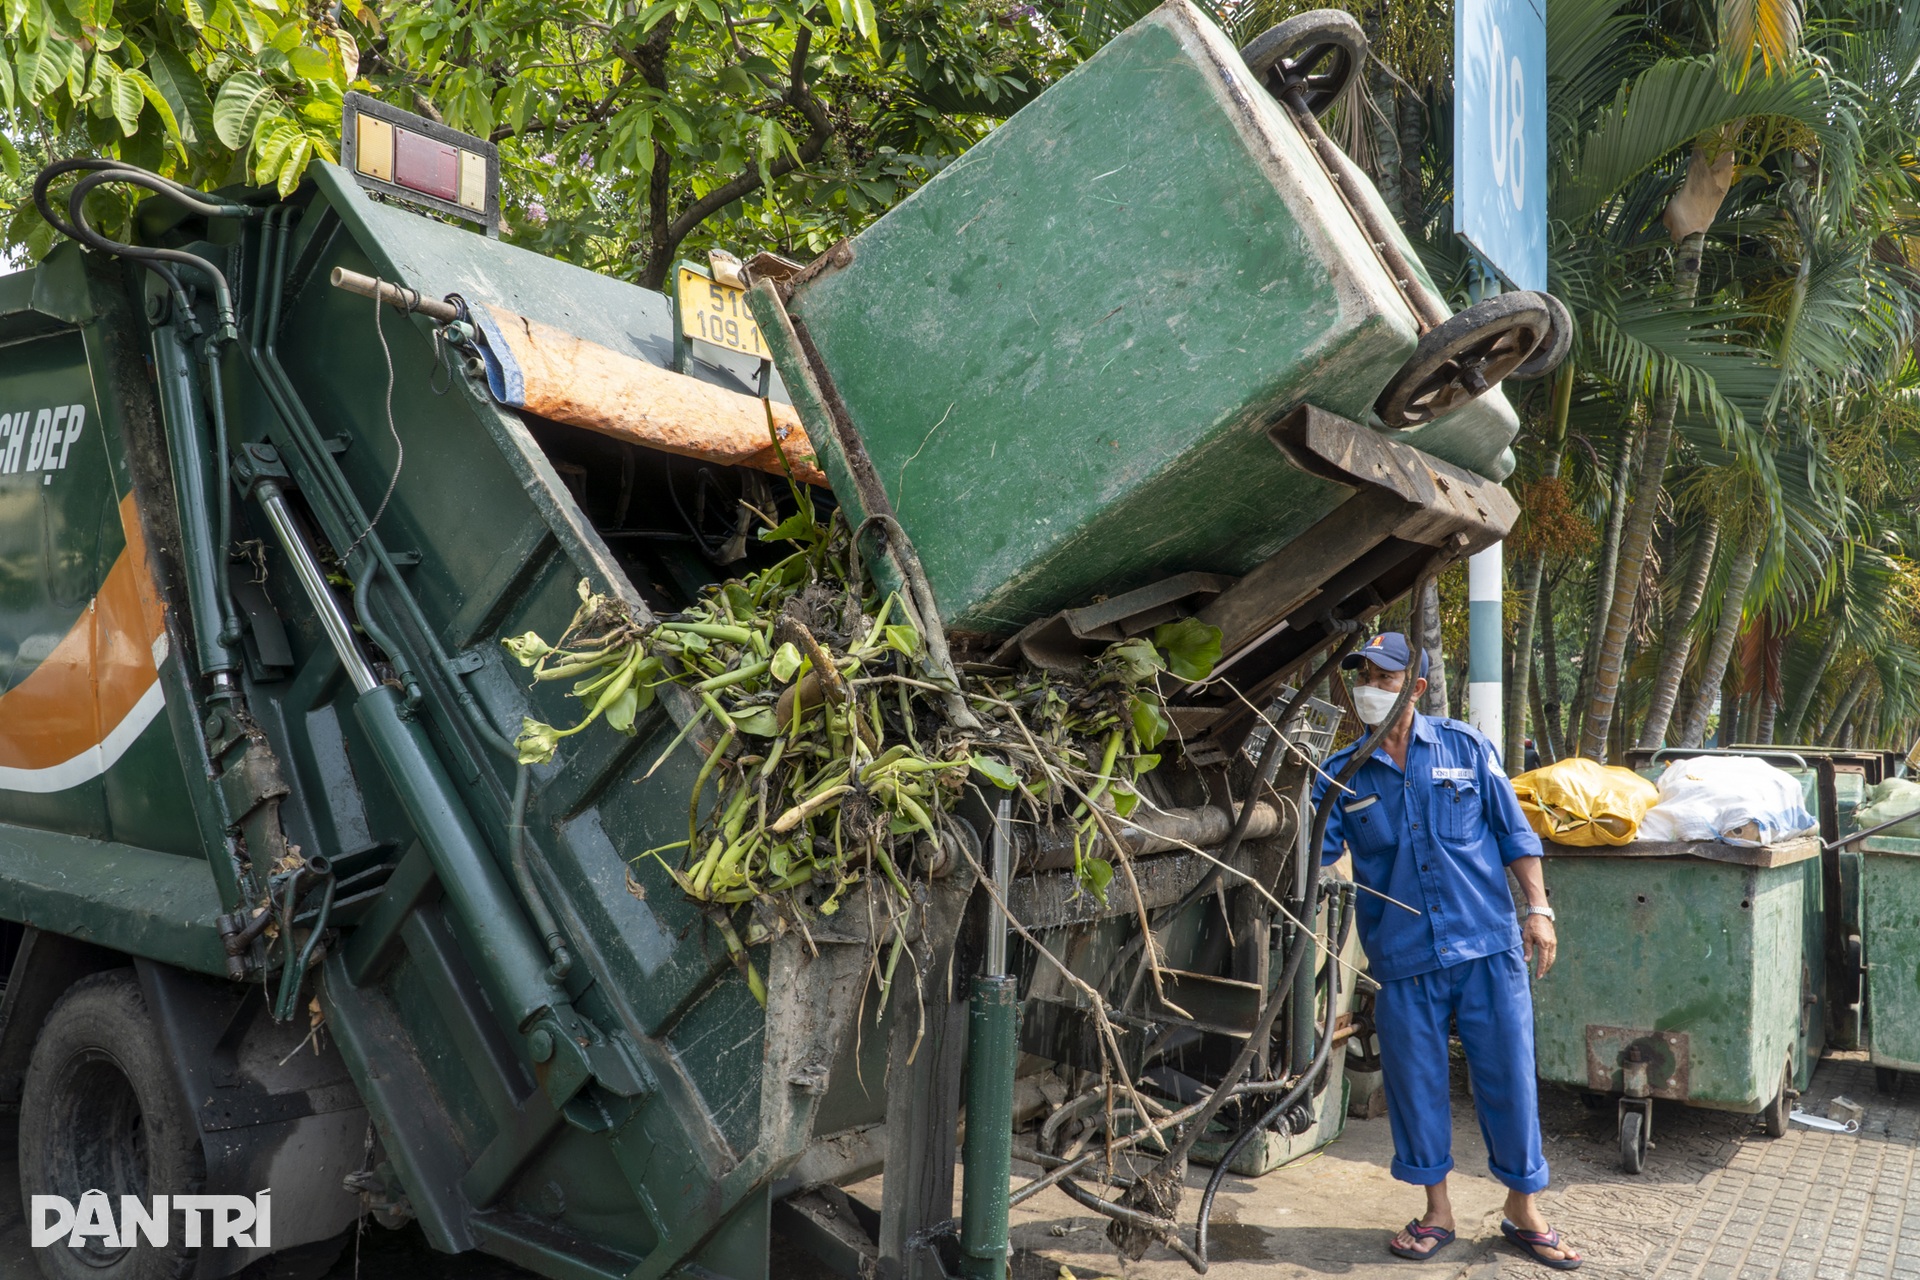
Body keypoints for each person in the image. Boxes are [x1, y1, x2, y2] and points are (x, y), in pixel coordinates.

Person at [1313, 632, 1581, 1269]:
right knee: (1417, 1085)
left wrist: (1538, 910)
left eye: (1382, 678)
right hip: (1404, 956)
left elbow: (1514, 834)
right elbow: (1315, 858)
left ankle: (1524, 1209)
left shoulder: (1466, 746)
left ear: (1416, 685)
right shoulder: (1343, 771)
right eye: (1364, 679)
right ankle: (1438, 1213)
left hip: (1488, 943)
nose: (1369, 690)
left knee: (1509, 1076)